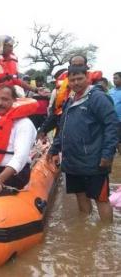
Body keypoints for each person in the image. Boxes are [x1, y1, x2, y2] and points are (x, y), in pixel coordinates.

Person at [47, 65, 118, 222]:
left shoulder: (98, 98)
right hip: (72, 160)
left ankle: (105, 237)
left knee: (101, 198)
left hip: (95, 160)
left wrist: (107, 154)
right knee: (80, 195)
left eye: (80, 78)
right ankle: (85, 230)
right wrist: (54, 149)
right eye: (72, 80)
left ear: (87, 77)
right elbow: (62, 127)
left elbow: (112, 126)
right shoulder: (70, 99)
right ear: (68, 81)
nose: (76, 82)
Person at [109, 72, 121, 153]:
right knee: (115, 137)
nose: (114, 80)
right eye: (113, 78)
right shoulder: (110, 91)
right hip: (112, 119)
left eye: (116, 78)